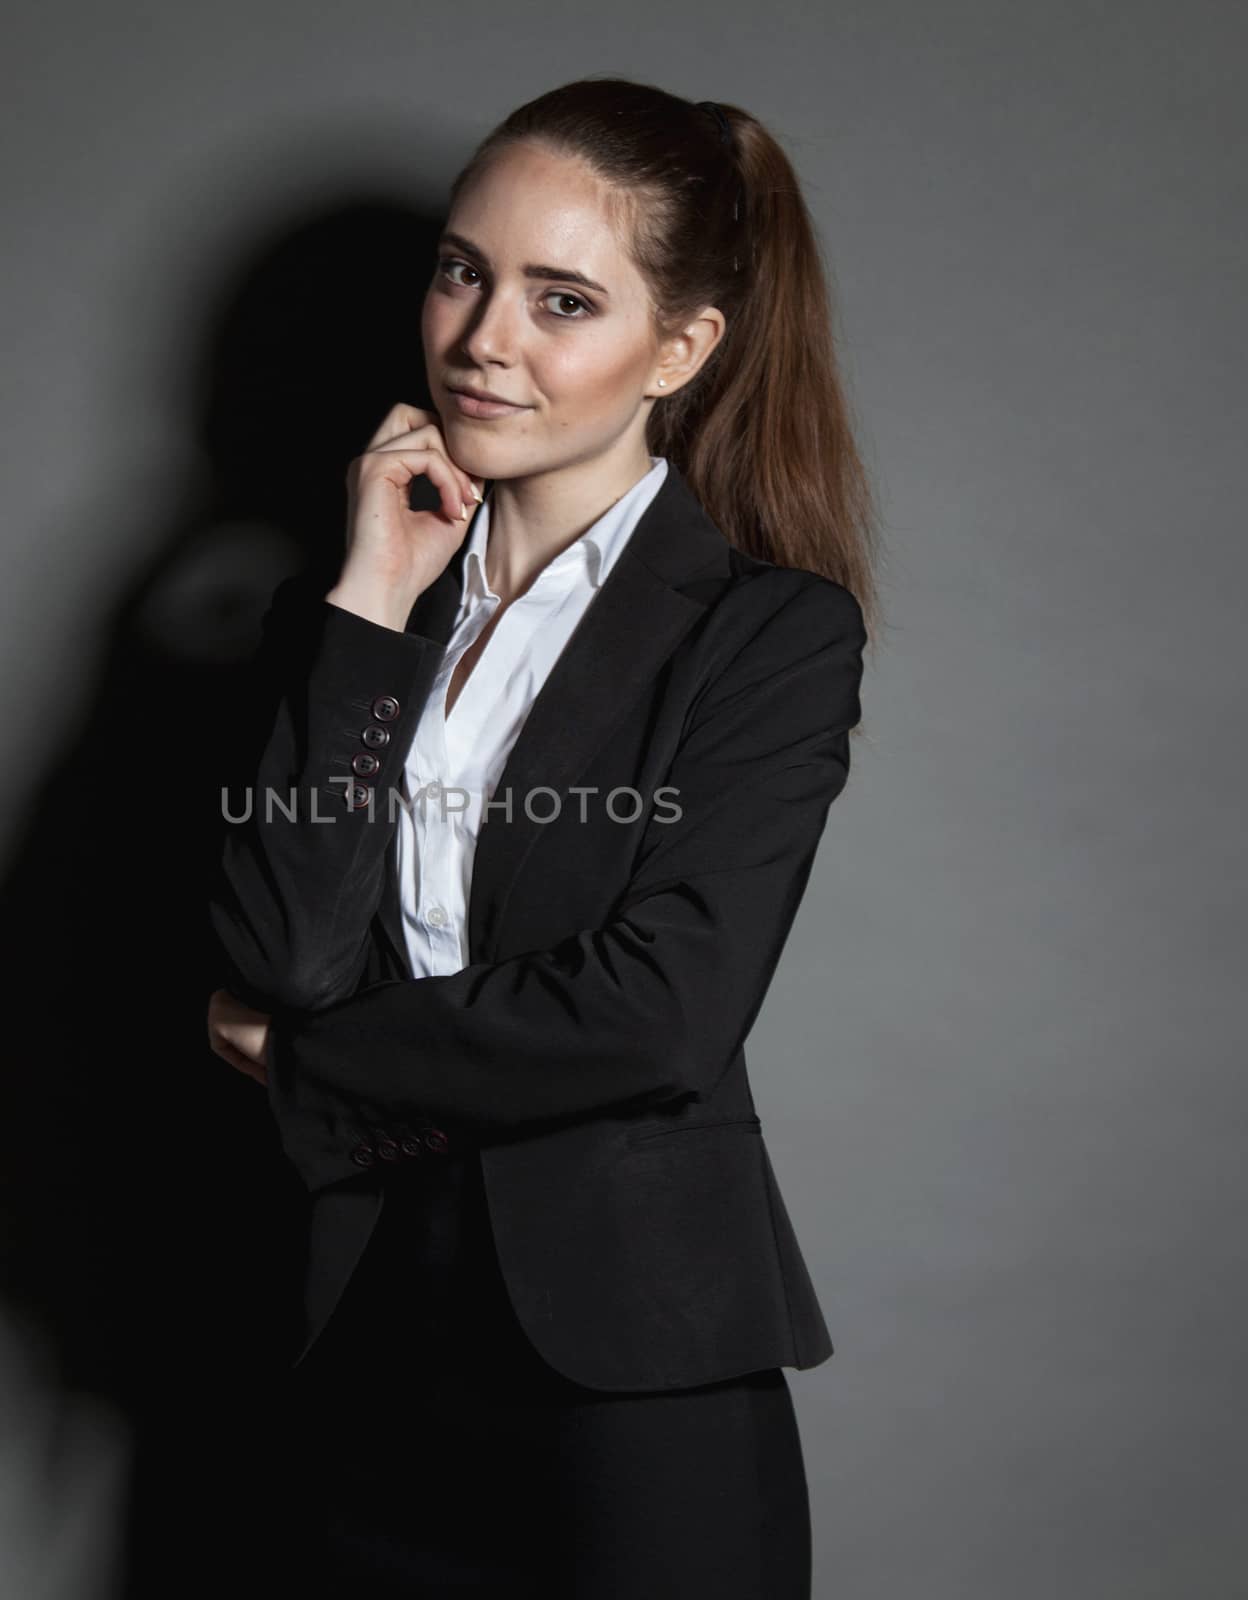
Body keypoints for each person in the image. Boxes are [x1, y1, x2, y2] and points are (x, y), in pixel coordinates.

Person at [205, 76, 880, 1598]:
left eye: (562, 299)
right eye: (463, 271)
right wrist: (371, 605)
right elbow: (283, 946)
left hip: (630, 1383)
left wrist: (307, 1063)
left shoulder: (768, 638)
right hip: (361, 1353)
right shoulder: (349, 620)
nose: (482, 339)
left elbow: (660, 1012)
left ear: (683, 347)